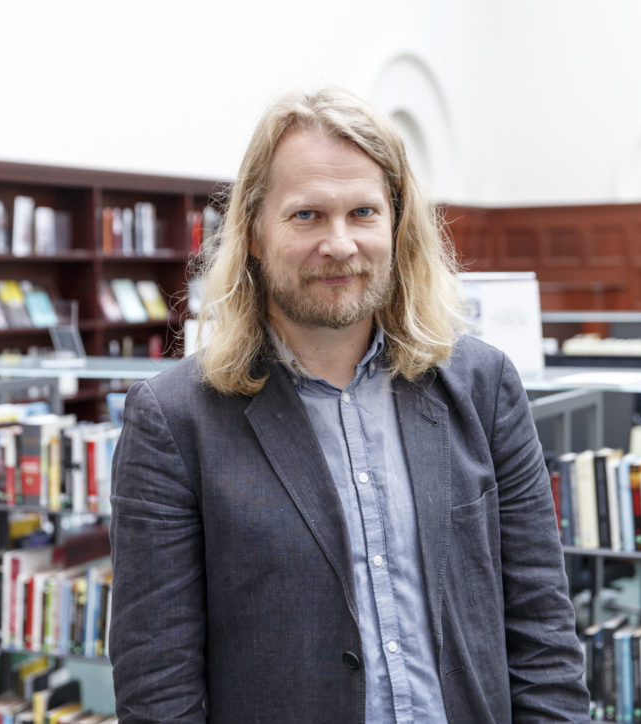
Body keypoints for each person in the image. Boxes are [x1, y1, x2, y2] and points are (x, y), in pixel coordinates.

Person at [108, 88, 590, 723]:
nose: (339, 244)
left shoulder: (484, 386)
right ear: (253, 233)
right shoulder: (174, 420)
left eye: (363, 212)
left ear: (396, 225)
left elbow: (543, 631)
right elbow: (158, 688)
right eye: (306, 215)